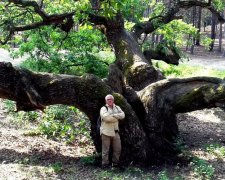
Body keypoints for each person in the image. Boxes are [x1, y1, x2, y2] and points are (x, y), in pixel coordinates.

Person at [100, 94, 125, 168]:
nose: (110, 100)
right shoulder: (103, 108)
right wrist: (117, 116)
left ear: (113, 100)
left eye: (111, 99)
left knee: (118, 149)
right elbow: (106, 118)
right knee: (105, 150)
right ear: (106, 101)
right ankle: (105, 165)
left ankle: (115, 164)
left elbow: (123, 115)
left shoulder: (117, 107)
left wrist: (112, 115)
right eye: (108, 99)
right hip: (106, 132)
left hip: (115, 132)